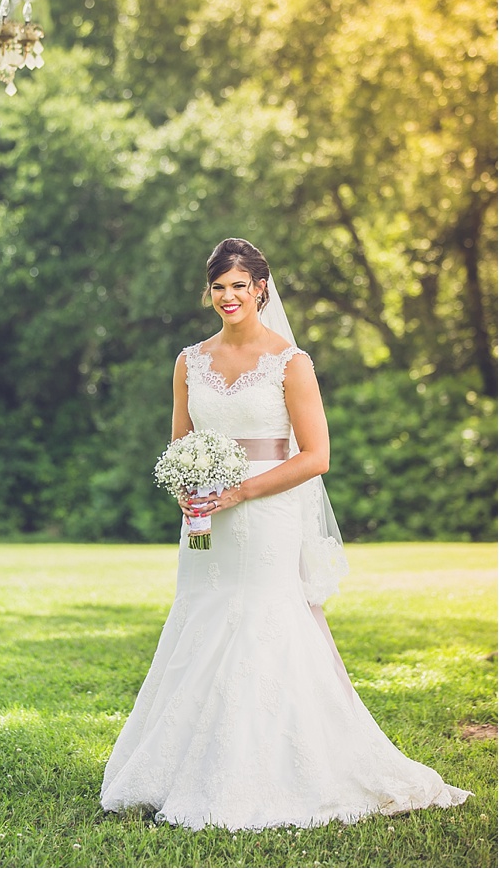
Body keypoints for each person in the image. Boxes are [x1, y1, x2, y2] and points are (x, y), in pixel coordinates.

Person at [101, 237, 470, 831]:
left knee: (262, 620)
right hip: (205, 516)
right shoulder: (188, 360)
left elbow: (317, 455)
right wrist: (187, 489)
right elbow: (178, 439)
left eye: (239, 285)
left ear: (261, 289)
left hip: (266, 512)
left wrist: (242, 490)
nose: (228, 296)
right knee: (201, 615)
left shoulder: (290, 363)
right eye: (219, 286)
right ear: (209, 292)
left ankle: (267, 772)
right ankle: (176, 771)